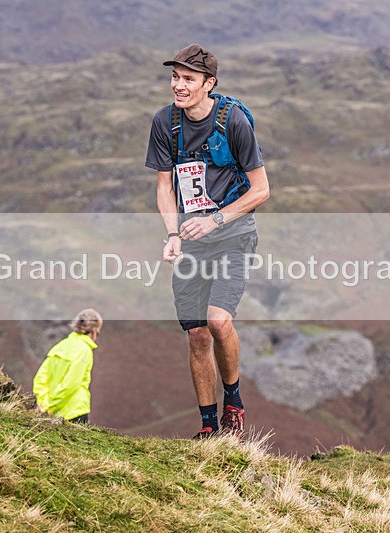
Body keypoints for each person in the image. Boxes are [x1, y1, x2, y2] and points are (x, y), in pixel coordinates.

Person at [145, 44, 270, 439]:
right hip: (190, 240)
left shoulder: (233, 122)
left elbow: (261, 189)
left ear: (208, 83)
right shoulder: (165, 122)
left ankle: (233, 400)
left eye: (188, 79)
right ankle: (207, 427)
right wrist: (172, 234)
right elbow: (165, 186)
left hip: (233, 234)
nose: (178, 86)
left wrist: (215, 220)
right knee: (197, 333)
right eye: (175, 77)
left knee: (218, 320)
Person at [32, 308, 102, 424]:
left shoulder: (60, 346)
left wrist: (44, 403)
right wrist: (50, 407)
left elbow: (40, 378)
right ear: (94, 330)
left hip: (51, 412)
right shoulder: (84, 350)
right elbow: (71, 384)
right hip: (74, 412)